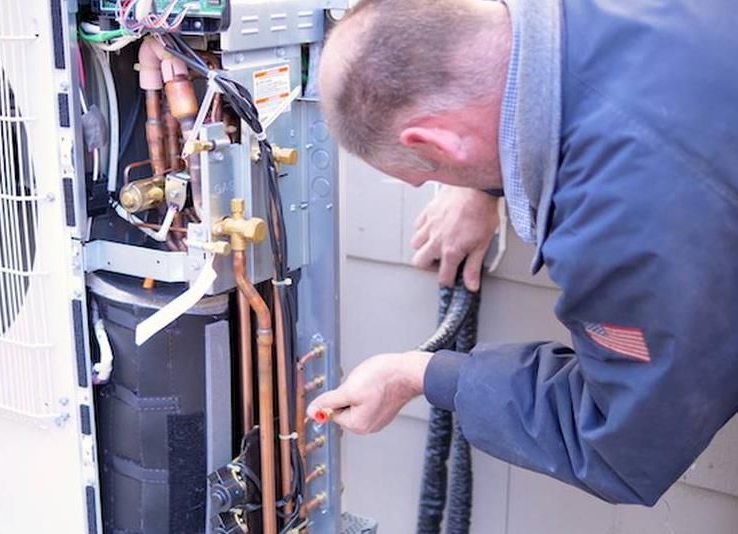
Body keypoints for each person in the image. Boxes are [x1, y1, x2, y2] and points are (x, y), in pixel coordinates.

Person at [307, 0, 738, 505]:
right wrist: (480, 187)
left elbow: (619, 445)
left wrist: (419, 374)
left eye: (430, 174)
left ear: (440, 144)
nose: (438, 184)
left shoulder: (620, 215)